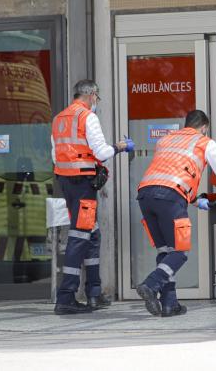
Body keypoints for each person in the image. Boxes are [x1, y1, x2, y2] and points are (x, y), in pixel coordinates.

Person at [136, 109, 216, 317]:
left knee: (165, 251)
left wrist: (196, 200)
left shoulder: (165, 140)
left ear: (186, 124)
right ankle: (151, 285)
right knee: (180, 252)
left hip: (145, 195)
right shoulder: (205, 142)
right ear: (204, 127)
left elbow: (171, 173)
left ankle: (169, 304)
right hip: (170, 198)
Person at [51, 79, 134, 315]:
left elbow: (55, 156)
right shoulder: (87, 117)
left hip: (66, 183)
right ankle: (65, 297)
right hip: (83, 185)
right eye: (97, 97)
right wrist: (120, 146)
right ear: (91, 95)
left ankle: (94, 293)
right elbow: (102, 152)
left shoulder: (59, 119)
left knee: (92, 234)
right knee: (79, 236)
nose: (96, 101)